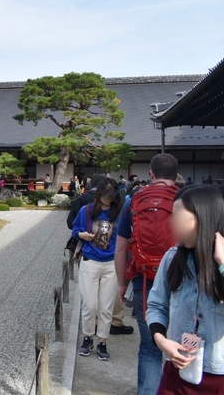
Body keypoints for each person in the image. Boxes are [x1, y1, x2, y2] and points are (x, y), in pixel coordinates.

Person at [146, 186, 224, 392]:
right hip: (178, 369)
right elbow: (156, 305)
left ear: (205, 219)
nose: (173, 225)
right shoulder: (173, 258)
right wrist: (161, 340)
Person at [115, 153, 179, 395]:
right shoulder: (186, 199)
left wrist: (122, 284)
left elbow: (121, 247)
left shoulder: (134, 201)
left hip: (145, 281)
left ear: (151, 174)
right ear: (176, 175)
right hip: (180, 280)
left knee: (150, 346)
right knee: (182, 346)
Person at [72, 178, 123, 361]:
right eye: (104, 193)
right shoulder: (87, 210)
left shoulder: (119, 213)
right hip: (90, 261)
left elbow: (126, 235)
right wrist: (81, 235)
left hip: (111, 264)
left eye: (110, 194)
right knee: (90, 305)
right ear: (98, 193)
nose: (107, 198)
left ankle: (102, 341)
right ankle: (87, 337)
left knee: (106, 307)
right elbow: (74, 228)